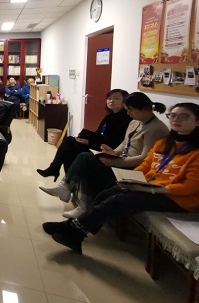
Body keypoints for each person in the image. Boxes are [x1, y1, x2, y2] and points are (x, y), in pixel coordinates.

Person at [43, 102, 199, 254]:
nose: (176, 120)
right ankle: (75, 230)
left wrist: (149, 189)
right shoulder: (164, 143)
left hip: (175, 198)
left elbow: (189, 187)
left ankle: (73, 230)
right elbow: (146, 165)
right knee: (106, 193)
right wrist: (130, 179)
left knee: (120, 200)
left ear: (197, 121)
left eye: (183, 117)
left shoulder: (196, 151)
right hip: (147, 185)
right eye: (172, 115)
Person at [40, 92, 169, 218]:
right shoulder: (135, 122)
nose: (128, 113)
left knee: (86, 160)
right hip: (121, 159)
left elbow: (145, 159)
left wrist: (115, 161)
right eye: (127, 110)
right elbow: (125, 143)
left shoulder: (156, 128)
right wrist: (113, 153)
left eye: (131, 110)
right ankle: (66, 187)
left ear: (144, 109)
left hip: (133, 169)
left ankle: (80, 202)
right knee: (82, 154)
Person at [36, 89, 132, 181]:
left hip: (107, 150)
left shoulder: (126, 119)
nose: (111, 101)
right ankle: (65, 178)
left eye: (116, 98)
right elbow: (98, 134)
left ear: (125, 101)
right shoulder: (109, 116)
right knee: (70, 144)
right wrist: (86, 137)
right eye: (109, 98)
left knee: (70, 145)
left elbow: (114, 143)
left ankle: (60, 175)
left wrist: (89, 142)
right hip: (98, 145)